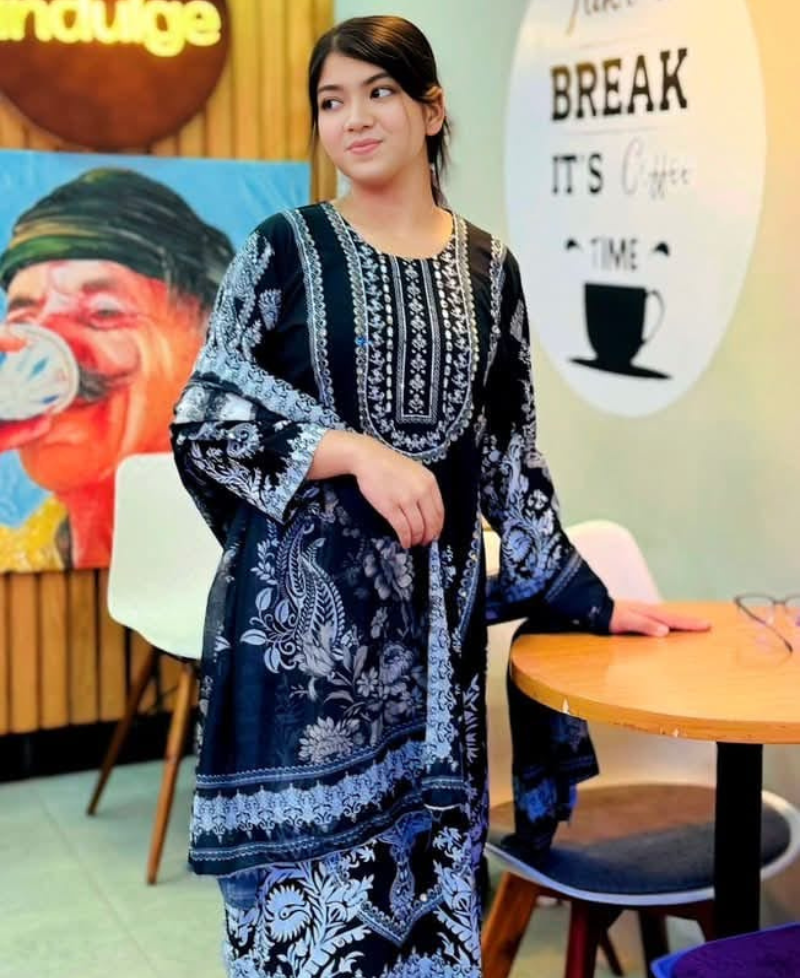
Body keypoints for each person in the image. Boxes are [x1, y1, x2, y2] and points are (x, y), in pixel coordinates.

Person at [171, 15, 709, 977]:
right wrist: (349, 452)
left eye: (378, 92)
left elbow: (510, 462)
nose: (353, 119)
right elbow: (206, 414)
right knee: (307, 945)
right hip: (301, 662)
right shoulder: (281, 251)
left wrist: (593, 600)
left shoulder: (491, 272)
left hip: (433, 669)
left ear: (431, 110)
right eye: (331, 102)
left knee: (427, 925)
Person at [0, 168, 234, 569]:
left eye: (103, 312)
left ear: (208, 336)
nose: (50, 348)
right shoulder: (14, 558)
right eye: (23, 321)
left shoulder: (260, 553)